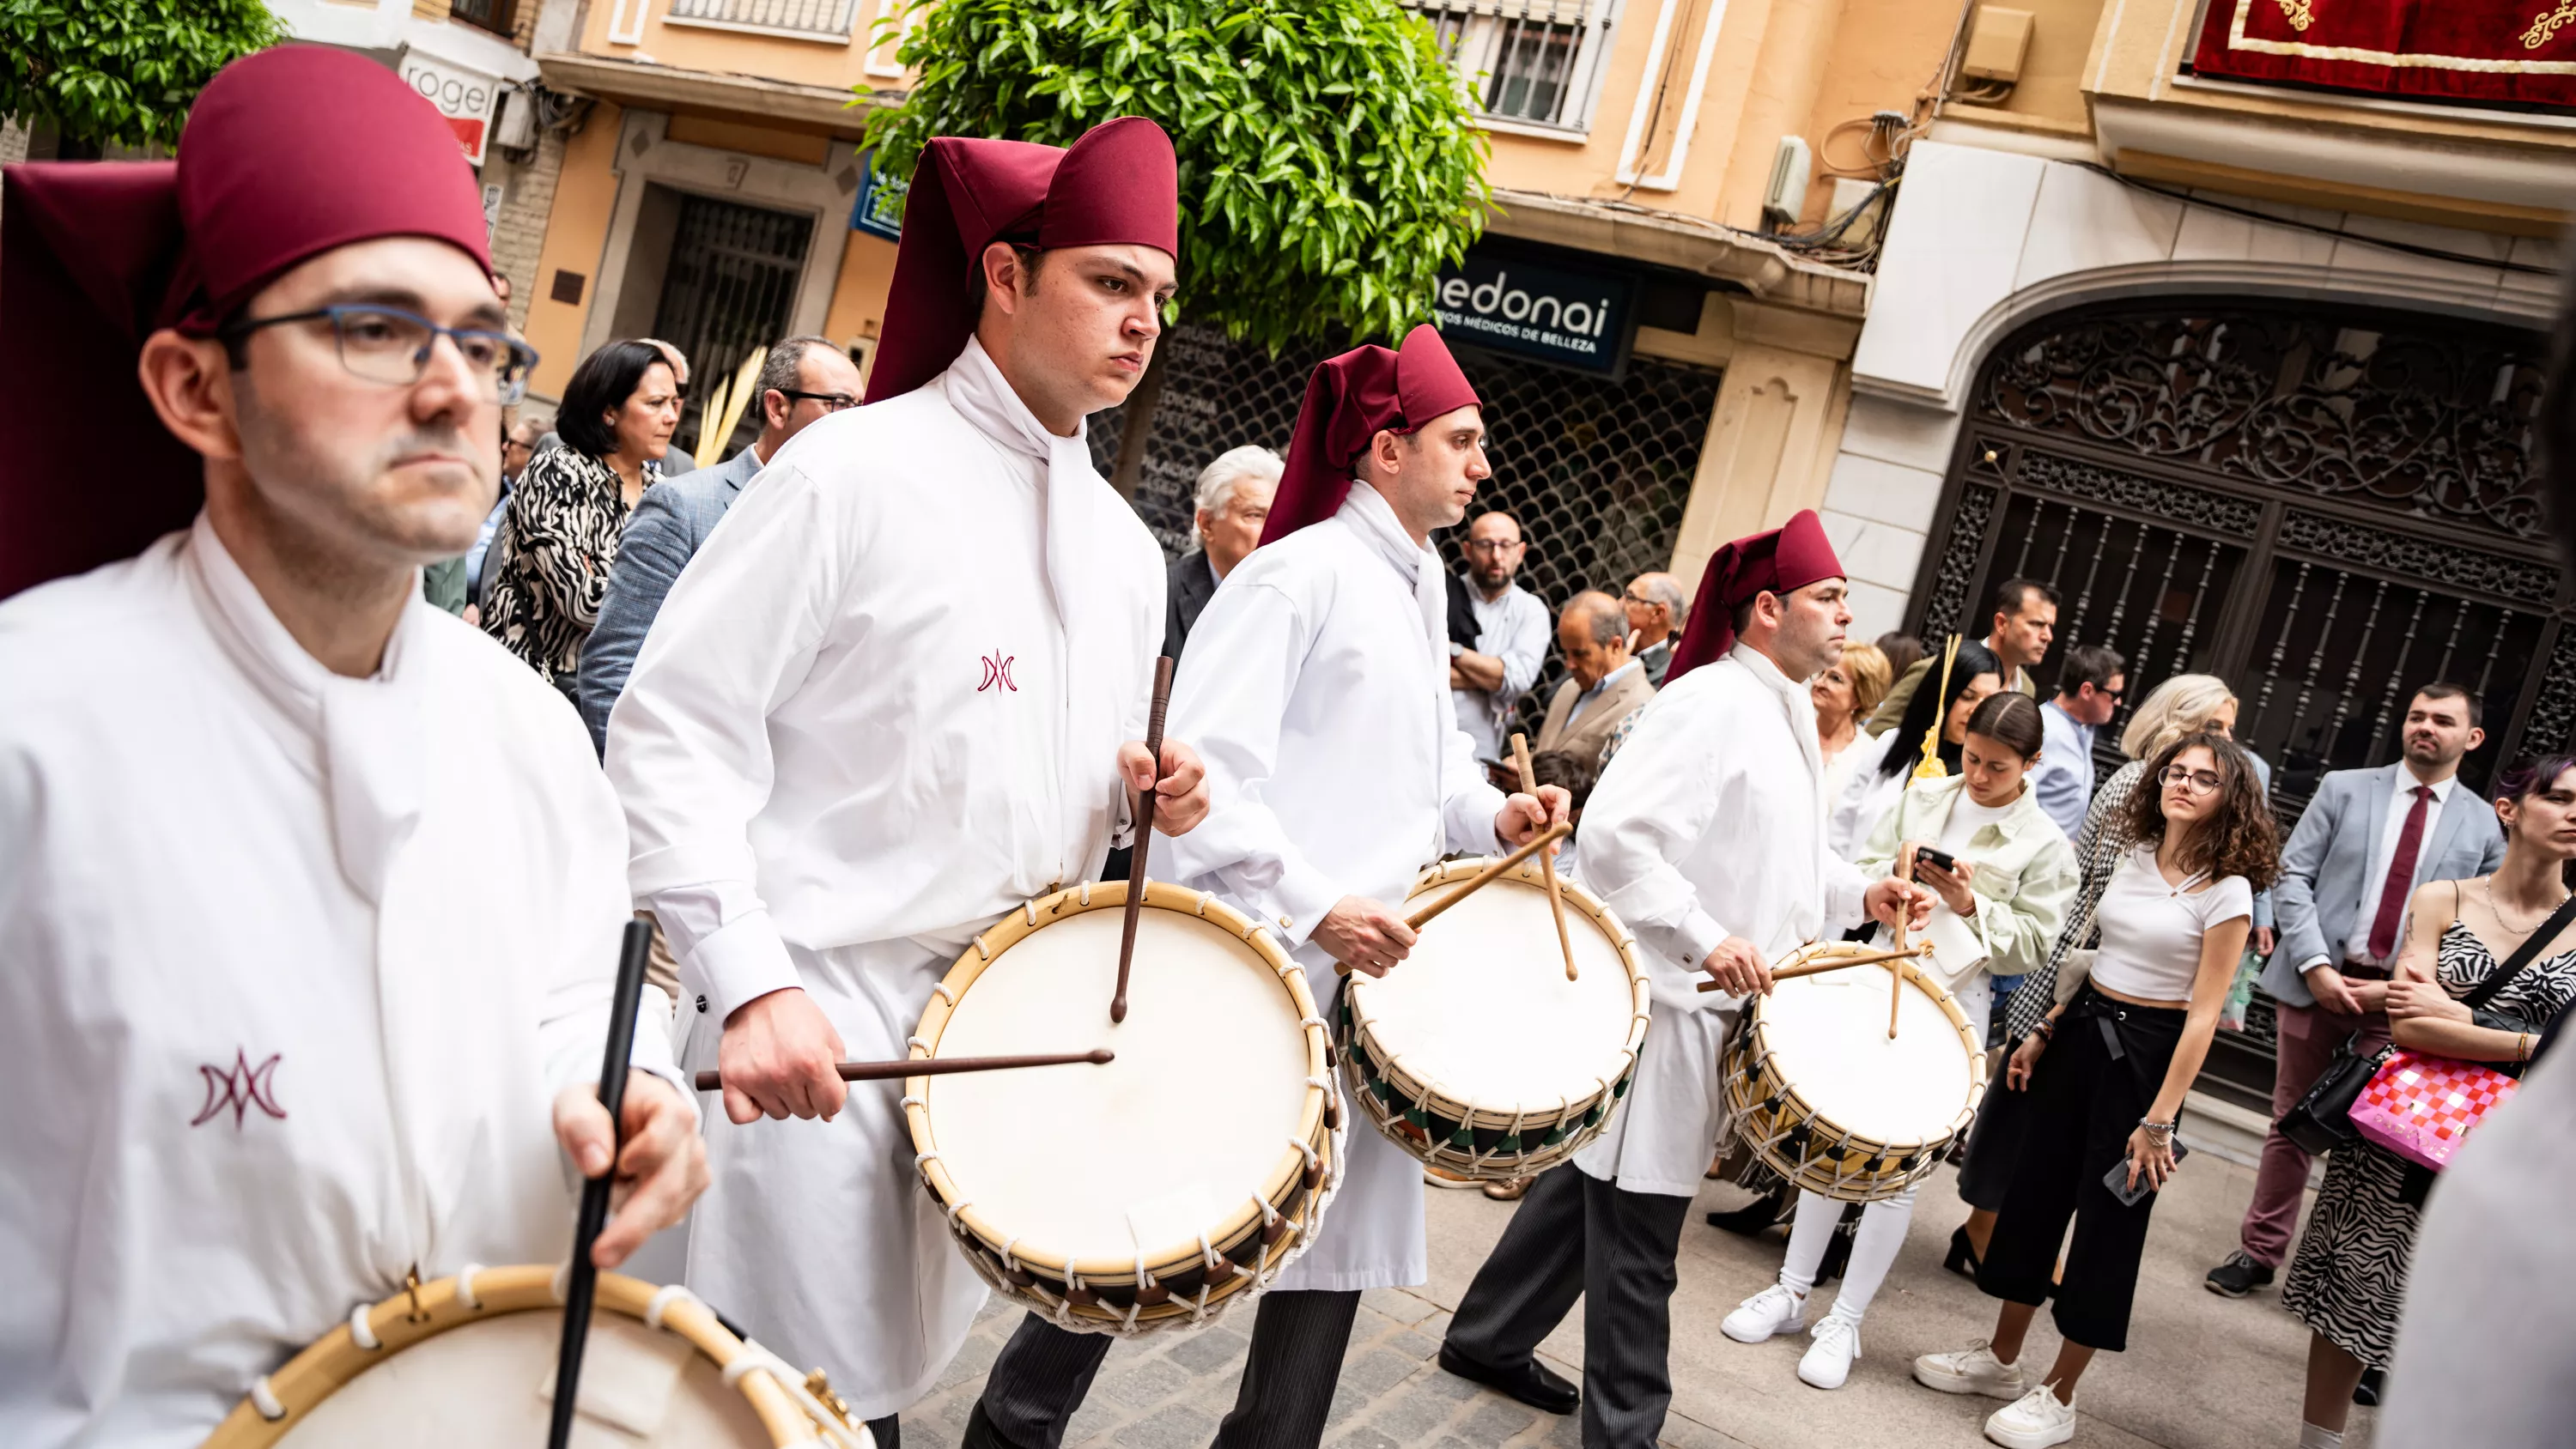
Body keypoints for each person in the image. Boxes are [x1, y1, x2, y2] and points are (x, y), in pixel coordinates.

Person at [0, 47, 703, 1446]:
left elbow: (579, 991)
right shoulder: (32, 734)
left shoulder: (528, 731)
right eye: (375, 331)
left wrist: (641, 1087)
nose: (456, 391)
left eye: (480, 339)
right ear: (197, 388)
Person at [605, 118, 1205, 1446]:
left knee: (875, 1385)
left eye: (1157, 296)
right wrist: (748, 978)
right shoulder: (849, 472)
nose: (1143, 322)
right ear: (1003, 274)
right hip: (814, 1030)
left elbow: (1038, 789)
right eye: (1110, 282)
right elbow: (672, 730)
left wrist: (1140, 801)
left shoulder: (1123, 551)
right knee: (769, 1410)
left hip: (990, 1048)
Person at [963, 323, 1567, 1449]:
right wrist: (1316, 900)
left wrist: (1494, 815)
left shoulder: (1420, 577)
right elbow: (1206, 781)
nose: (1483, 465)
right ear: (1386, 450)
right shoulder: (1297, 577)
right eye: (1463, 441)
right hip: (1266, 974)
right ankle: (1010, 1425)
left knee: (1328, 1259)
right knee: (1155, 1222)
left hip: (1364, 979)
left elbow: (1422, 765)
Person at [1437, 509, 1929, 1447]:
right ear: (1768, 607)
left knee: (1598, 1185)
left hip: (1704, 997)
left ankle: (1487, 1337)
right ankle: (1625, 1429)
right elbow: (1619, 836)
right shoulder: (1710, 699)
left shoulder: (1779, 699)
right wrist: (1706, 937)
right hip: (1672, 1003)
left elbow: (1783, 858)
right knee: (1642, 1228)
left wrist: (1864, 886)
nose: (1846, 616)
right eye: (1829, 598)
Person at [1913, 732, 2279, 1449]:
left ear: (2230, 798)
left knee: (2111, 1223)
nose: (2184, 785)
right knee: (2035, 1196)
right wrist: (2045, 1029)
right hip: (2081, 1029)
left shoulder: (2229, 890)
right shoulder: (2136, 856)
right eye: (2176, 772)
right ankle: (2002, 1359)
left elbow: (2204, 1016)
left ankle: (2062, 1391)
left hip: (2148, 1058)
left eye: (2204, 779)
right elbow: (2095, 957)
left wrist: (2160, 1121)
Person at [1722, 692, 2075, 1390]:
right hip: (1880, 965)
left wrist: (1972, 902)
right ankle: (1792, 1291)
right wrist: (1899, 880)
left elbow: (2036, 945)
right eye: (1971, 757)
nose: (1977, 776)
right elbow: (1866, 866)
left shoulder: (2046, 844)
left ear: (2032, 764)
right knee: (1838, 1133)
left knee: (1900, 1163)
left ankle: (1845, 1320)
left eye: (1997, 769)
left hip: (1954, 996)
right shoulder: (1925, 793)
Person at [2280, 754, 2576, 1449]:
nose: (2575, 814)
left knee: (2472, 1315)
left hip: (2515, 1153)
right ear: (2510, 809)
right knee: (2354, 1294)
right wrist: (2534, 1045)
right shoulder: (2445, 899)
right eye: (2560, 799)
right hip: (2406, 1130)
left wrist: (2470, 1022)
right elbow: (2411, 1023)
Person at [1943, 674, 2257, 1272]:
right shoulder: (2142, 785)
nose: (2224, 742)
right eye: (2216, 727)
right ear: (2182, 721)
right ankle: (1985, 1230)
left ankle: (1988, 1232)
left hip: (2093, 976)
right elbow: (2099, 897)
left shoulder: (2160, 792)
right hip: (2076, 971)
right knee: (2021, 1110)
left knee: (2034, 1115)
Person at [2204, 682, 2505, 1301]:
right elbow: (2293, 874)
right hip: (2319, 983)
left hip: (2403, 1009)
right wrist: (2315, 965)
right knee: (2292, 1122)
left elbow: (2484, 926)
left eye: (2442, 720)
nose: (2425, 727)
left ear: (2471, 738)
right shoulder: (2344, 787)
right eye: (2417, 716)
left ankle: (2336, 1274)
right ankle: (2260, 1252)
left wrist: (2400, 990)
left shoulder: (2484, 825)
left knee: (2376, 1141)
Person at [574, 336, 866, 750]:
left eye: (862, 406)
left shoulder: (845, 524)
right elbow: (612, 667)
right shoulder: (683, 507)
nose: (854, 421)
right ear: (778, 407)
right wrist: (634, 794)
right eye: (838, 404)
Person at [480, 338, 680, 693]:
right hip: (526, 682)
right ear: (609, 411)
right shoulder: (558, 472)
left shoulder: (661, 490)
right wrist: (660, 594)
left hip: (608, 692)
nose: (672, 416)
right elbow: (583, 602)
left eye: (674, 402)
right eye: (655, 403)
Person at [1828, 637, 2002, 860]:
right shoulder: (1892, 744)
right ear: (1942, 692)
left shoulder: (1980, 775)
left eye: (1988, 702)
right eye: (1968, 697)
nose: (1976, 710)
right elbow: (1843, 825)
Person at [1867, 579, 2055, 734]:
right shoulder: (1943, 667)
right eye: (2037, 624)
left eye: (2050, 627)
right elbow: (1877, 733)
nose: (2047, 636)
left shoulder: (2026, 689)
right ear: (2002, 623)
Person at [1163, 443, 1281, 661]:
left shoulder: (1285, 599)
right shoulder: (1163, 594)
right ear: (1207, 523)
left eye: (1276, 516)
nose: (1272, 529)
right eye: (1254, 515)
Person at [1449, 508, 1547, 765]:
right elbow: (1415, 668)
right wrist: (1492, 678)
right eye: (1485, 545)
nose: (1496, 556)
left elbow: (1517, 679)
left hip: (1476, 754)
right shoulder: (1441, 593)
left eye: (1505, 546)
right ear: (1468, 550)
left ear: (1520, 552)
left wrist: (1451, 650)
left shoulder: (1531, 611)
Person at [1534, 590, 1655, 762]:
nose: (1569, 665)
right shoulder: (1569, 688)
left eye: (1579, 654)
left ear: (1615, 645)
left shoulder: (1642, 706)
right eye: (1565, 652)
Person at [2030, 645, 2124, 841]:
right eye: (2113, 695)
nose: (2118, 703)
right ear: (2087, 691)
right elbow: (2016, 797)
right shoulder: (2042, 728)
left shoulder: (2084, 727)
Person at [462, 414, 543, 622]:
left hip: (479, 612)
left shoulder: (534, 510)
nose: (504, 447)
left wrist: (482, 606)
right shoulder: (494, 486)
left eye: (514, 443)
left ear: (533, 454)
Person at [1815, 640, 1893, 814]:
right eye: (1821, 673)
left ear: (1860, 697)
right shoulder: (1790, 730)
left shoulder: (1869, 755)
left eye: (1835, 678)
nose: (1819, 683)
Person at [1622, 571, 1687, 686]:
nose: (1619, 603)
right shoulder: (1618, 646)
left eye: (1630, 598)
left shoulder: (1671, 675)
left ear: (1658, 613)